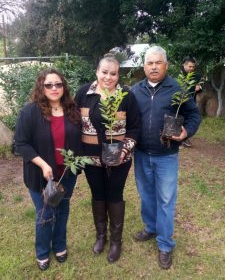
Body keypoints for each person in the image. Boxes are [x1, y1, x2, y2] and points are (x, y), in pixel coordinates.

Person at [131, 46, 201, 269]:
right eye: (149, 63)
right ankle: (151, 228)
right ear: (144, 67)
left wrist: (186, 132)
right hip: (141, 154)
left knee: (166, 200)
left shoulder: (177, 89)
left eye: (158, 63)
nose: (153, 67)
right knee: (146, 195)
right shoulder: (135, 90)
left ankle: (165, 244)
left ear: (166, 65)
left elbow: (193, 114)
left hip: (166, 155)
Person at [75, 54, 140, 263]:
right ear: (97, 72)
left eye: (113, 73)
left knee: (114, 195)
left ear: (118, 75)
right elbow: (74, 123)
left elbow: (134, 128)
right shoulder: (84, 93)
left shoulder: (127, 96)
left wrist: (124, 150)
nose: (108, 77)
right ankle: (101, 236)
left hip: (119, 160)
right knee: (98, 195)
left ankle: (115, 241)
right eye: (104, 72)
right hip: (91, 159)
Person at [15, 68, 81, 271]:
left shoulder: (72, 110)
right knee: (45, 214)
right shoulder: (30, 112)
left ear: (64, 86)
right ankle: (42, 251)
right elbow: (22, 144)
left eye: (58, 84)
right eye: (49, 85)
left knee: (62, 211)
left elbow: (79, 139)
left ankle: (59, 245)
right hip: (40, 175)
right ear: (41, 87)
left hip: (66, 174)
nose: (54, 88)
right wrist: (43, 164)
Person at [181, 57, 202, 147]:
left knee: (190, 119)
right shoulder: (179, 76)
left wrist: (199, 88)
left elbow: (199, 87)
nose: (191, 68)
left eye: (193, 67)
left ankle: (185, 138)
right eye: (190, 66)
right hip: (179, 102)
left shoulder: (196, 76)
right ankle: (180, 139)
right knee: (180, 119)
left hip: (190, 102)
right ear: (184, 65)